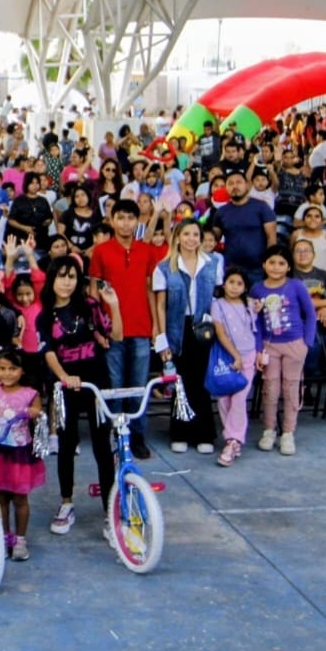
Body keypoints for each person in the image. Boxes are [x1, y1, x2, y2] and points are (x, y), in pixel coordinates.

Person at [37, 256, 122, 539]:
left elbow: (117, 335)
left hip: (97, 384)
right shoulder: (44, 316)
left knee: (102, 446)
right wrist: (64, 376)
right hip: (66, 388)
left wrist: (114, 305)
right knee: (66, 443)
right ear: (52, 279)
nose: (67, 282)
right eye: (61, 276)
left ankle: (110, 510)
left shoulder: (90, 306)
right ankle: (66, 503)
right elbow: (49, 352)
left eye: (72, 276)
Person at [90, 198, 163, 458]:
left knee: (139, 385)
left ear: (137, 221)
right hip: (112, 329)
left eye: (130, 218)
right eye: (120, 218)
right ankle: (117, 434)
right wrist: (97, 328)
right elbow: (94, 291)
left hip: (142, 327)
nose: (125, 223)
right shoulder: (101, 251)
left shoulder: (146, 251)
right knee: (116, 385)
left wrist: (156, 326)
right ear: (112, 220)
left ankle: (138, 435)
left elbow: (150, 289)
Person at [152, 219, 222, 453]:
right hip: (176, 328)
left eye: (195, 234)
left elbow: (218, 298)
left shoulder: (213, 263)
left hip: (203, 328)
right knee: (180, 382)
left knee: (201, 382)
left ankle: (204, 434)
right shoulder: (164, 267)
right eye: (186, 234)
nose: (191, 239)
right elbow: (160, 306)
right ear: (177, 237)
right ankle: (180, 432)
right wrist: (162, 339)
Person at [249, 245, 317, 456]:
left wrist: (306, 343)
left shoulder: (296, 286)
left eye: (281, 263)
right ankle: (269, 430)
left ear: (288, 266)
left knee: (291, 388)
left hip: (294, 344)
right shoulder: (257, 289)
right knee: (270, 389)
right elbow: (256, 322)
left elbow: (310, 314)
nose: (276, 267)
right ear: (264, 264)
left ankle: (288, 433)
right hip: (269, 346)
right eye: (272, 262)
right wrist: (258, 349)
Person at [0, 348, 44, 562]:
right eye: (2, 368)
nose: (7, 373)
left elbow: (39, 415)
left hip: (19, 452)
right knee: (0, 496)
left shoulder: (30, 393)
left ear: (22, 370)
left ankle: (20, 540)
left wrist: (35, 413)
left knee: (20, 497)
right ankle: (4, 536)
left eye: (12, 369)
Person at [209, 267, 258, 467]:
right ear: (224, 284)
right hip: (227, 358)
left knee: (239, 399)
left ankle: (232, 440)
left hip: (248, 356)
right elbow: (220, 333)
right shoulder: (217, 305)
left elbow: (256, 330)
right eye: (231, 282)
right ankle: (233, 439)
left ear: (245, 287)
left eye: (239, 284)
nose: (234, 287)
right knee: (224, 399)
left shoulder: (250, 304)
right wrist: (235, 355)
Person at [212, 171, 276, 284]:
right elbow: (213, 239)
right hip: (231, 269)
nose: (235, 186)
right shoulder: (221, 212)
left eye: (238, 182)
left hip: (258, 269)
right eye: (230, 183)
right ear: (226, 188)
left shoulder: (261, 207)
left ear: (247, 185)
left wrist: (269, 263)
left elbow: (271, 238)